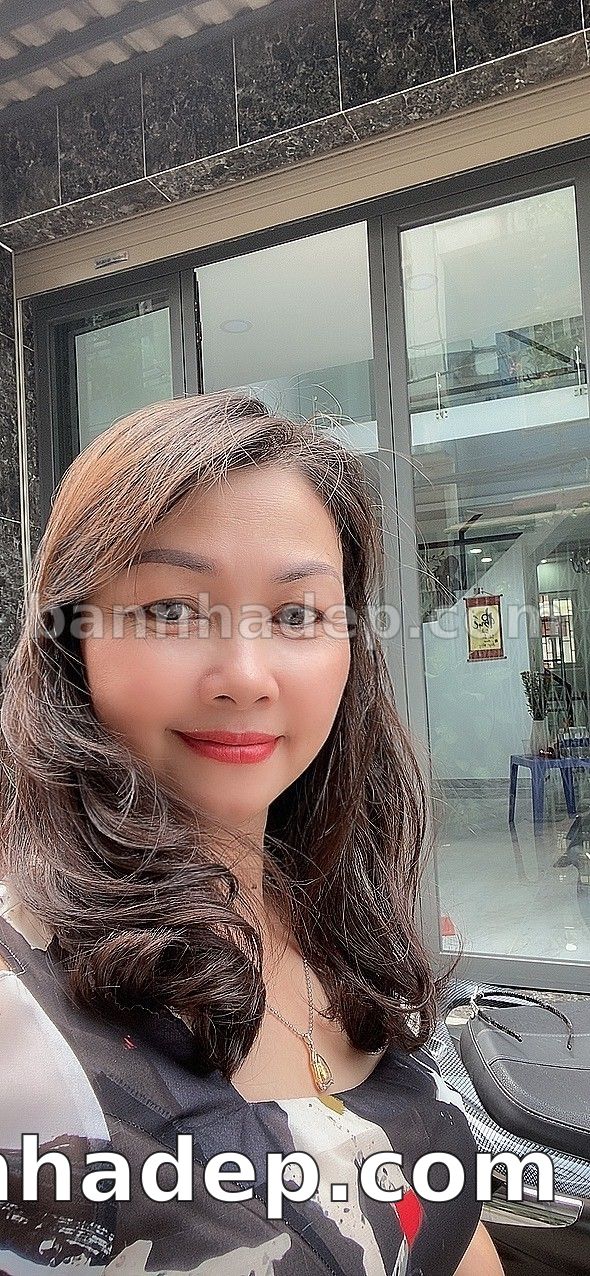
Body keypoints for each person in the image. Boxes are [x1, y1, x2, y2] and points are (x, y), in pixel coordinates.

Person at [0, 392, 503, 1275]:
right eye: (170, 611)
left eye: (297, 614)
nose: (244, 675)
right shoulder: (21, 1003)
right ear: (71, 641)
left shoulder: (330, 912)